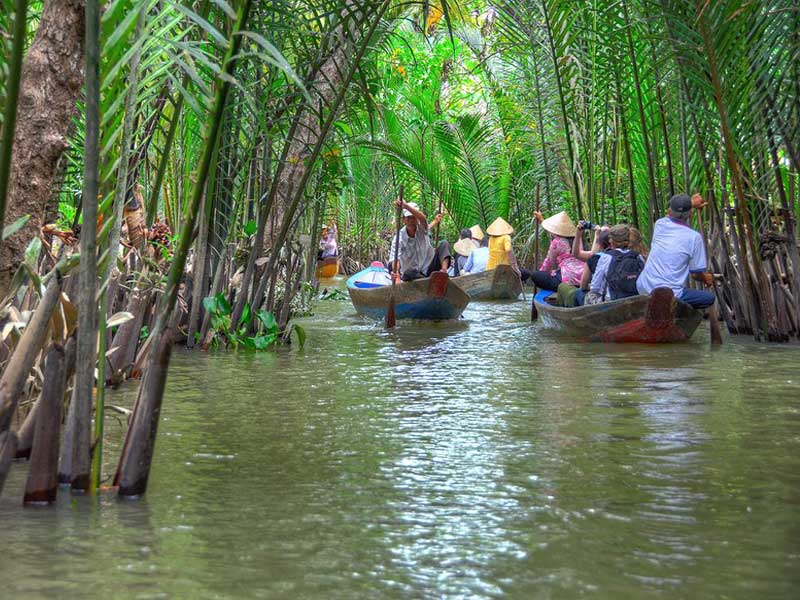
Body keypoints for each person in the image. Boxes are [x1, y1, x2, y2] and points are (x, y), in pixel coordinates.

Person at [636, 193, 715, 309]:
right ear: (690, 214)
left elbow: (672, 214)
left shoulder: (660, 224)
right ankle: (675, 315)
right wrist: (707, 279)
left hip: (643, 287)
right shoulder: (694, 237)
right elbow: (695, 275)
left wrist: (691, 203)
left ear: (669, 211)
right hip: (669, 293)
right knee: (709, 298)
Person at [389, 199, 451, 281]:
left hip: (428, 269)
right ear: (403, 220)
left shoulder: (422, 229)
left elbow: (423, 219)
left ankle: (443, 273)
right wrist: (396, 275)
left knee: (444, 244)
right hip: (412, 275)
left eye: (413, 218)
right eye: (408, 218)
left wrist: (406, 206)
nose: (411, 220)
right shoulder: (399, 238)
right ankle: (424, 281)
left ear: (417, 219)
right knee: (409, 272)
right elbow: (395, 259)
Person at [526, 211, 584, 291]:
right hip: (583, 277)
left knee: (536, 275)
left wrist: (542, 274)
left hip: (566, 279)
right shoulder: (578, 239)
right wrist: (541, 219)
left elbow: (550, 262)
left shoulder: (557, 242)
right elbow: (552, 233)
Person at [588, 224, 645, 302]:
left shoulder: (606, 257)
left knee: (586, 296)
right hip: (636, 301)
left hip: (612, 303)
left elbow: (595, 287)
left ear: (611, 241)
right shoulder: (638, 256)